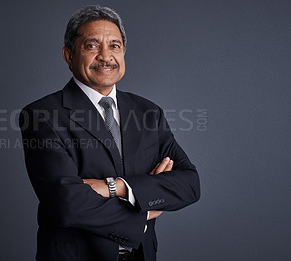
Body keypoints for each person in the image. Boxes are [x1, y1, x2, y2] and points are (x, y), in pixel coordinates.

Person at [19, 5, 200, 261]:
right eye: (92, 46)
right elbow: (67, 205)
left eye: (115, 46)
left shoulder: (149, 112)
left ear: (123, 52)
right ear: (68, 55)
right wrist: (145, 208)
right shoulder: (41, 115)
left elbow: (190, 184)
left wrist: (116, 188)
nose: (106, 56)